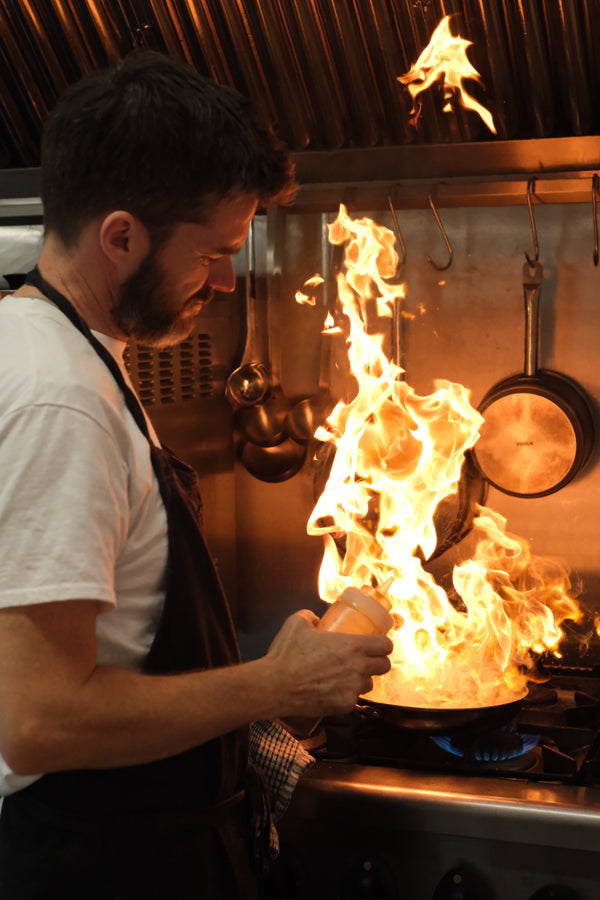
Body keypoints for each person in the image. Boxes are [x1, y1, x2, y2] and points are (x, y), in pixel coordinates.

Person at [0, 51, 393, 899]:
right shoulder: (59, 400)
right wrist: (275, 684)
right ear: (121, 237)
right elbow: (37, 722)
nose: (224, 279)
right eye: (212, 252)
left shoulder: (57, 351)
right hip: (103, 864)